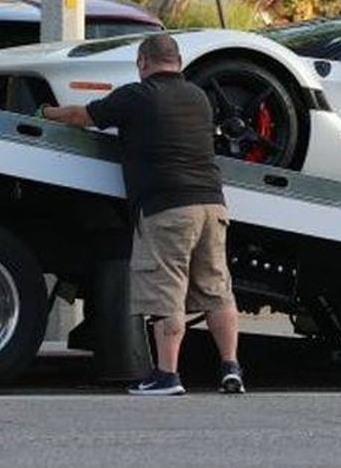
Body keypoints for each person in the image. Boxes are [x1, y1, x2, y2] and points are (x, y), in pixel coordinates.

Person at [41, 33, 243, 396]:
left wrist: (45, 112)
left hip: (167, 207)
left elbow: (81, 116)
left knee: (166, 293)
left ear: (142, 63)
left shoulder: (136, 96)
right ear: (178, 62)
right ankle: (231, 367)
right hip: (213, 205)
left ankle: (167, 376)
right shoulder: (198, 97)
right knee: (217, 289)